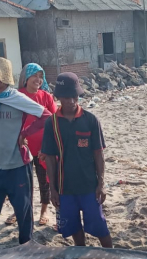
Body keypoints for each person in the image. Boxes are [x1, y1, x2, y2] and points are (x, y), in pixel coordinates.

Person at [0, 57, 51, 250]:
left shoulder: (16, 98)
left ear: (5, 77)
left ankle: (26, 244)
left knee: (23, 209)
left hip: (19, 164)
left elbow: (46, 116)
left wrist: (25, 133)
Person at [42, 72, 112, 247]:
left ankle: (111, 256)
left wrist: (101, 184)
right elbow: (49, 158)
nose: (71, 101)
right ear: (59, 98)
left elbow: (99, 154)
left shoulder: (90, 120)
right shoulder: (52, 124)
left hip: (89, 185)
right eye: (66, 97)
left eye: (74, 97)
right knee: (74, 228)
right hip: (64, 188)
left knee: (100, 226)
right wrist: (53, 189)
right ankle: (81, 254)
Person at [7, 63, 56, 227]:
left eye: (40, 76)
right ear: (26, 78)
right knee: (21, 182)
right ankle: (18, 210)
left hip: (44, 146)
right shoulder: (17, 96)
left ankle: (44, 210)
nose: (38, 79)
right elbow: (12, 120)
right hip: (23, 146)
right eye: (34, 75)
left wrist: (49, 145)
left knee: (44, 180)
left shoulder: (46, 97)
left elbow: (54, 121)